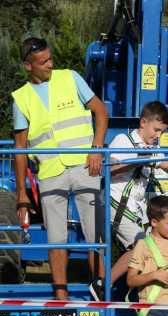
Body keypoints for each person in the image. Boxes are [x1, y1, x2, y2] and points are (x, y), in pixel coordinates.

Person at [12, 37, 108, 300]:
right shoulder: (20, 98)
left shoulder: (70, 77)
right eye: (43, 62)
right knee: (56, 239)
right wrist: (21, 193)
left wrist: (96, 148)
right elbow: (19, 151)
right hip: (50, 174)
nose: (50, 65)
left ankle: (99, 290)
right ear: (27, 66)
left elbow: (100, 111)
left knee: (96, 236)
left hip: (85, 167)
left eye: (50, 58)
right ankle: (61, 298)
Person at [100, 101, 168, 296]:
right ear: (143, 122)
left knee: (150, 246)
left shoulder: (154, 148)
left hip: (136, 207)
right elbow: (109, 170)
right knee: (140, 245)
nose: (158, 135)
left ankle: (143, 293)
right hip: (116, 203)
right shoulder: (123, 141)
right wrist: (140, 159)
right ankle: (103, 285)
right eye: (156, 130)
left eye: (162, 132)